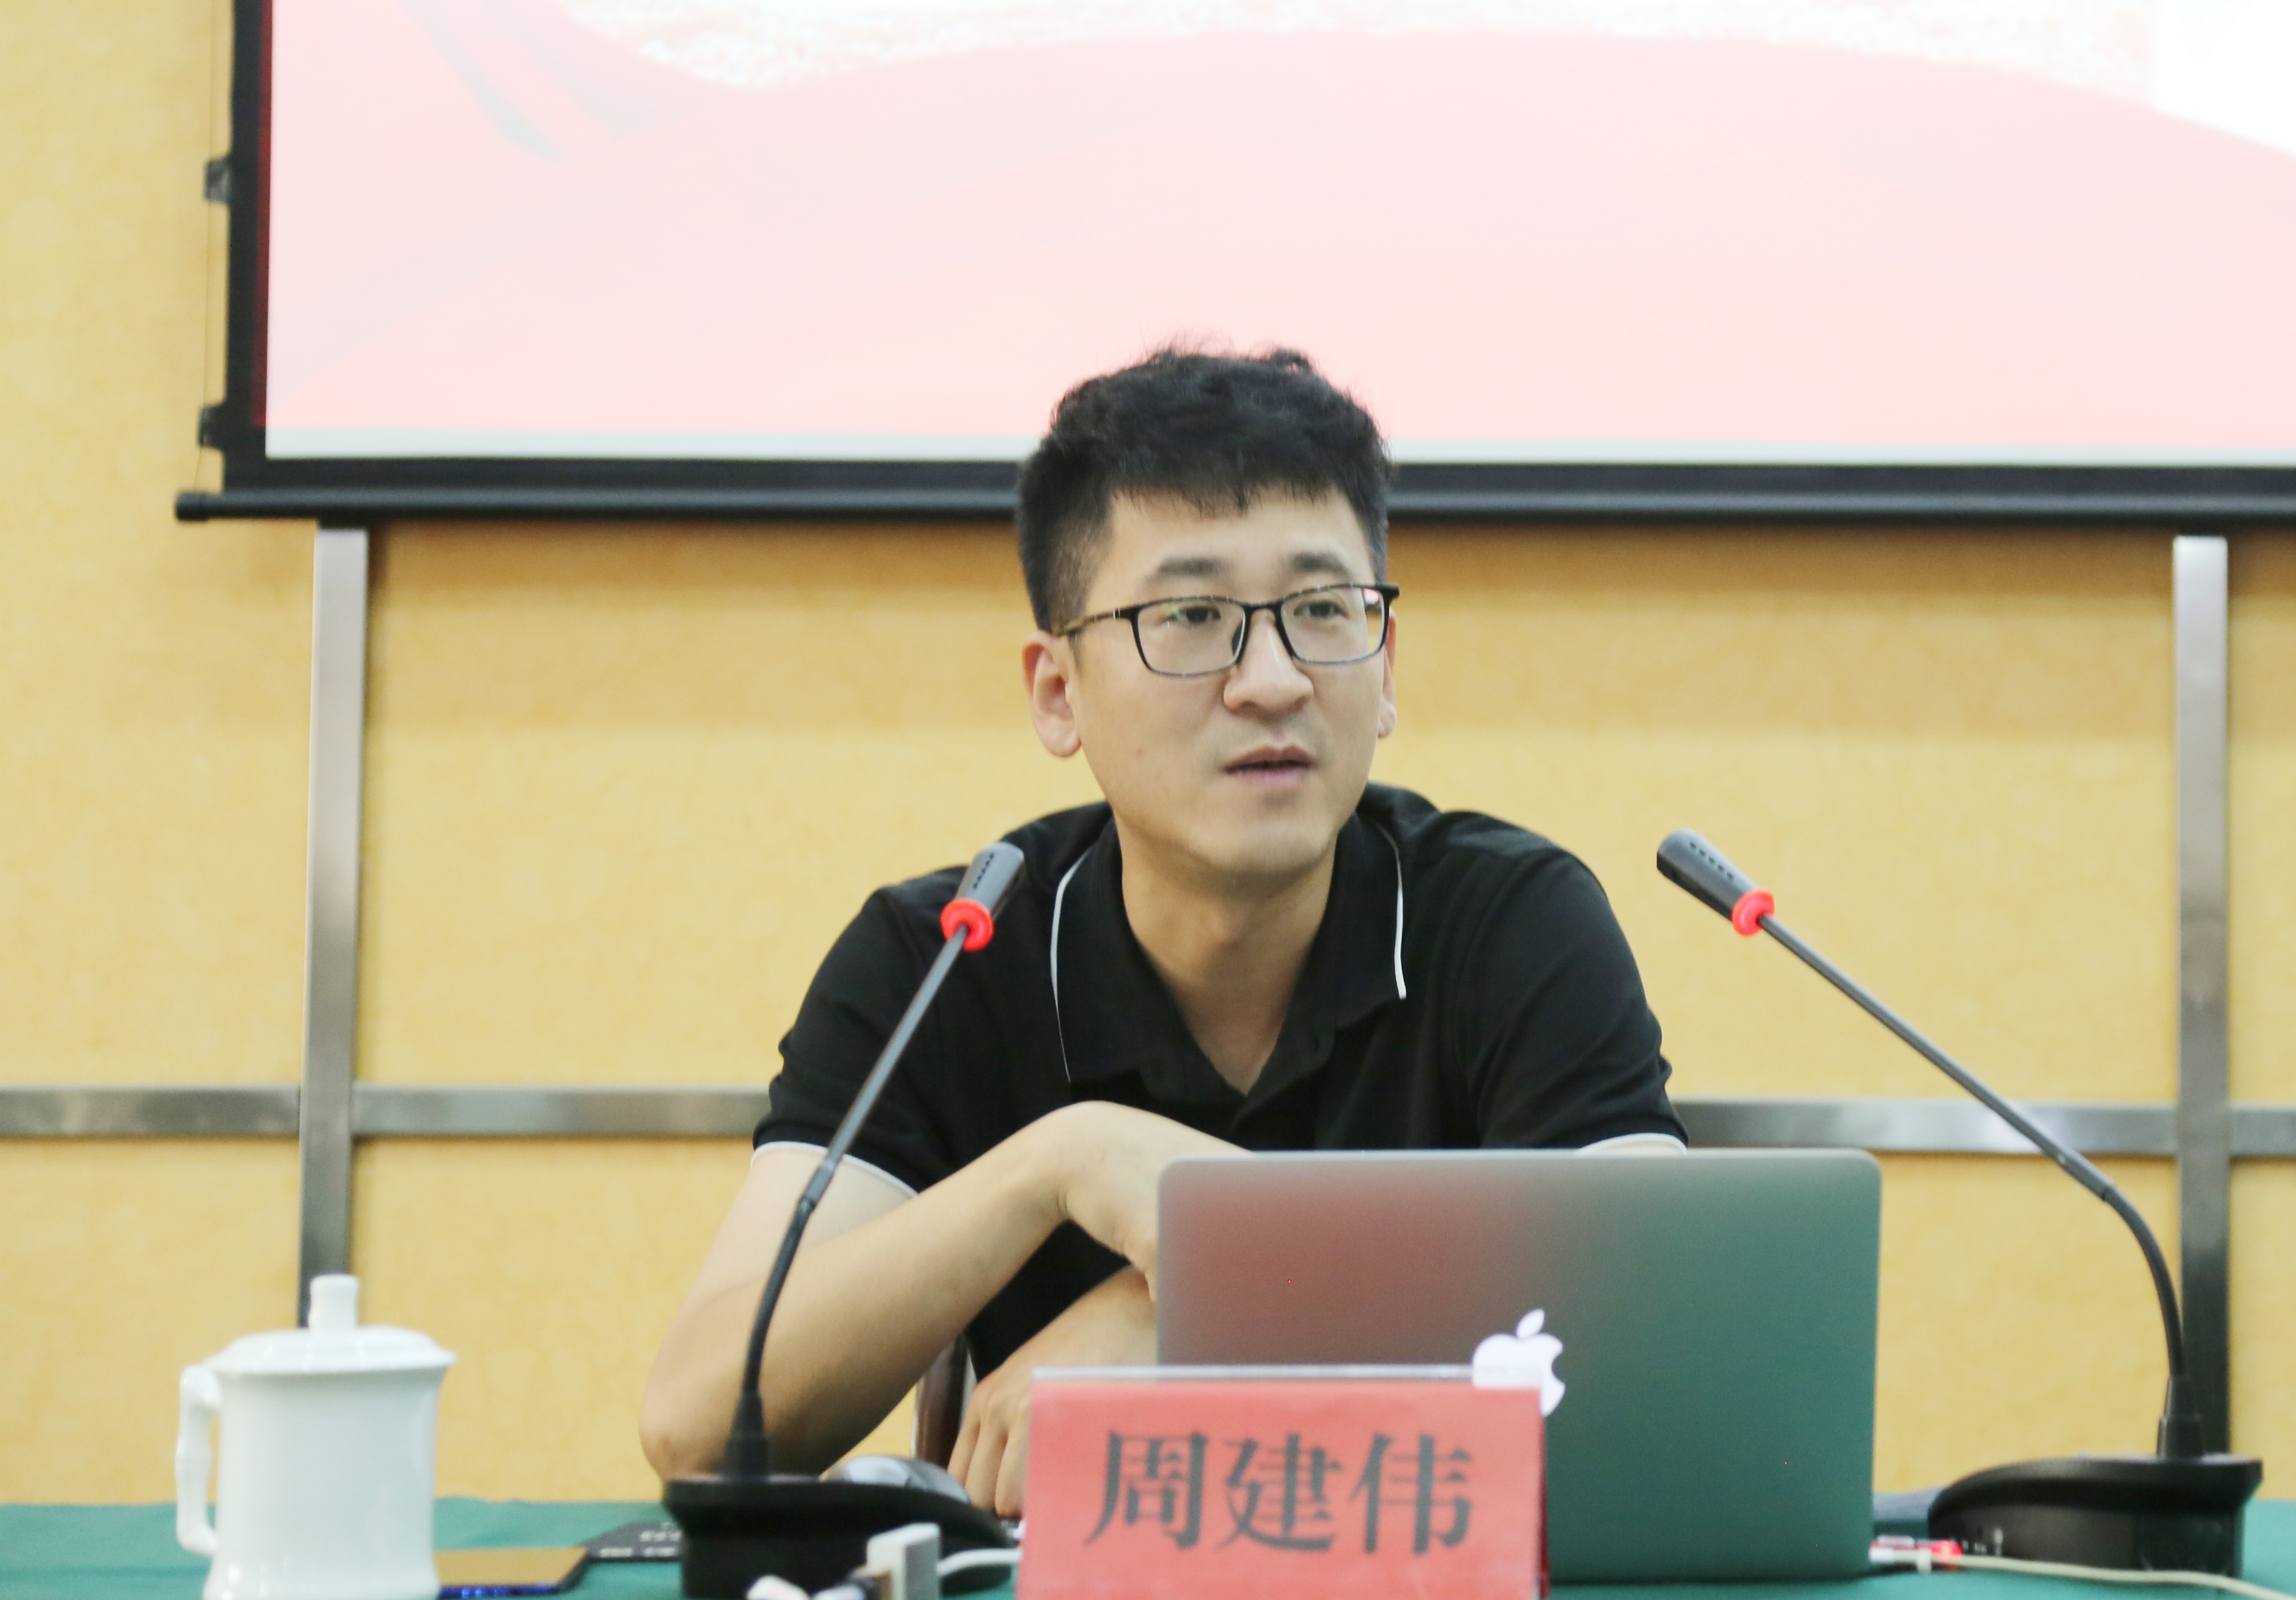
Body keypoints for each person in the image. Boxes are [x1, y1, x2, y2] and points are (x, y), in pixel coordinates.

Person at [641, 347, 1684, 1513]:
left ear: (1384, 668)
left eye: (1321, 609)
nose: (1272, 680)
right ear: (1058, 692)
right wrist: (1058, 1164)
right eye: (1190, 617)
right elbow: (701, 1424)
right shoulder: (946, 954)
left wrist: (1188, 1308)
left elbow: (1668, 1328)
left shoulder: (1511, 923)